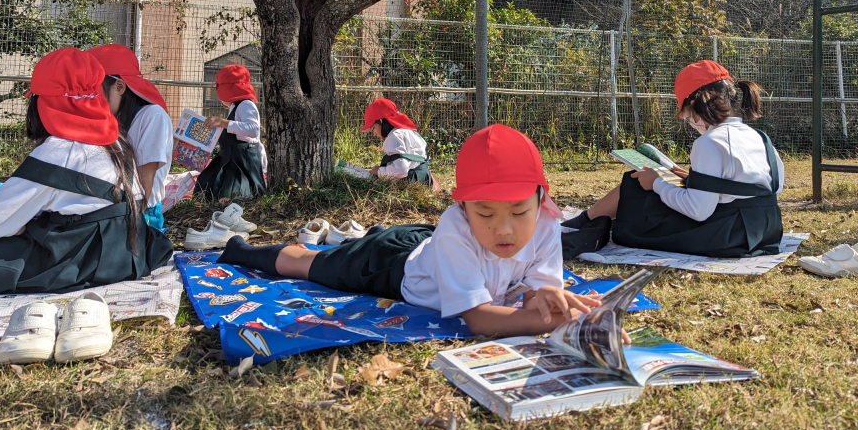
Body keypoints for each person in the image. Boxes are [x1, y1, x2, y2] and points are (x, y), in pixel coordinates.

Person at [217, 124, 604, 336]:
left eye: (520, 211)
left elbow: (538, 292)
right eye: (485, 214)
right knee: (310, 263)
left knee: (408, 242)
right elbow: (482, 319)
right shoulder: (455, 224)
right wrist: (548, 320)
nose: (505, 230)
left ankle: (378, 233)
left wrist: (549, 300)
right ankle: (240, 249)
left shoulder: (548, 223)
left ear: (541, 199)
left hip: (426, 245)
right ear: (462, 207)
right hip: (392, 267)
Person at [0, 47, 173, 295]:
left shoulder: (59, 150)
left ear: (43, 103)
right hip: (125, 255)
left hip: (78, 262)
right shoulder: (115, 142)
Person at [563, 60, 784, 258]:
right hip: (767, 232)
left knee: (634, 185)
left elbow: (699, 211)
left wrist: (657, 183)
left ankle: (584, 222)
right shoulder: (760, 137)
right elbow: (769, 186)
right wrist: (696, 180)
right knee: (642, 202)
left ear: (697, 104)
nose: (684, 119)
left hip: (729, 236)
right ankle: (590, 220)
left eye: (686, 114)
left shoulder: (709, 142)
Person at [87, 44, 173, 232]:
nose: (92, 99)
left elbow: (145, 178)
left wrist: (134, 224)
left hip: (141, 213)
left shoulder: (152, 116)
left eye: (96, 91)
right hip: (117, 207)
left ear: (119, 86)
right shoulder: (116, 118)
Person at [195, 64, 266, 202]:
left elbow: (253, 129)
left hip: (242, 159)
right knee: (206, 183)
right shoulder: (234, 106)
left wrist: (223, 123)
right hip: (230, 156)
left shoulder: (246, 104)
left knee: (234, 192)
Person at [361, 98, 433, 186]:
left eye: (373, 128)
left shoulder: (394, 136)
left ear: (381, 121)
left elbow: (401, 170)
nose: (374, 134)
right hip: (424, 179)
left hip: (410, 183)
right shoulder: (410, 132)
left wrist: (379, 171)